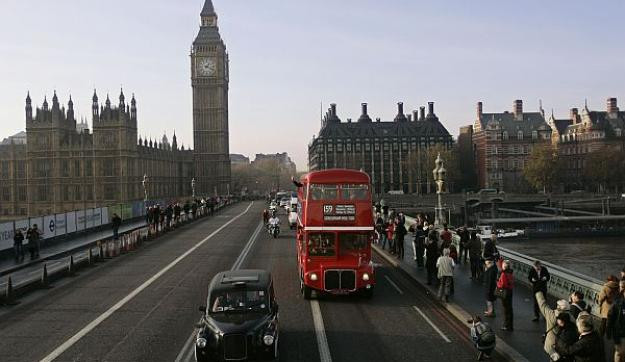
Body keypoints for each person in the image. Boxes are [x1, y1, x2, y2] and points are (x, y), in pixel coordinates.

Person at [536, 290, 572, 360]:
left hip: (551, 345)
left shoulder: (551, 314)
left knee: (553, 358)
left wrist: (539, 294)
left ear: (558, 307)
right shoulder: (571, 318)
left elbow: (543, 305)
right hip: (565, 345)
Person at [607, 280, 625, 362]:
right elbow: (610, 317)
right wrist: (608, 331)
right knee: (619, 352)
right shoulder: (617, 302)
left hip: (621, 332)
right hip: (620, 333)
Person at [497, 260, 514, 331]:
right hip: (510, 291)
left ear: (504, 266)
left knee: (505, 309)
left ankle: (506, 326)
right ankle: (510, 325)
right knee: (510, 308)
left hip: (505, 292)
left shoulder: (503, 274)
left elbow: (503, 285)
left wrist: (497, 283)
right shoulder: (511, 273)